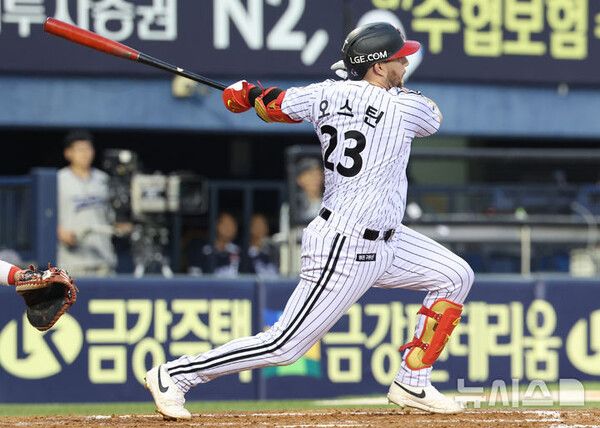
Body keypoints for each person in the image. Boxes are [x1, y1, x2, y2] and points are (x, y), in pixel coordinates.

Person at [145, 22, 474, 419]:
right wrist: (271, 94)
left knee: (455, 275)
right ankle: (176, 375)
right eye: (398, 59)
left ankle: (413, 380)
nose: (404, 64)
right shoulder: (403, 106)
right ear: (378, 66)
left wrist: (247, 94)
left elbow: (273, 105)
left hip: (390, 239)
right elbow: (433, 116)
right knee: (284, 345)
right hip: (346, 242)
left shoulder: (322, 93)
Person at [57, 130, 123, 276]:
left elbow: (113, 216)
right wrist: (59, 231)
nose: (85, 154)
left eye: (88, 149)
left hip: (102, 257)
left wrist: (122, 224)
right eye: (80, 150)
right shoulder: (59, 179)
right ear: (68, 153)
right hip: (71, 260)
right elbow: (45, 216)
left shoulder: (103, 179)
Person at [188, 212, 241, 276]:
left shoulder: (240, 251)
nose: (229, 228)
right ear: (216, 225)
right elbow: (194, 276)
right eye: (226, 224)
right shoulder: (200, 248)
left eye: (233, 225)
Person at [294, 158, 324, 224]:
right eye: (310, 174)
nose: (315, 178)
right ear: (299, 179)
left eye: (318, 174)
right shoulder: (293, 203)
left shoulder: (330, 202)